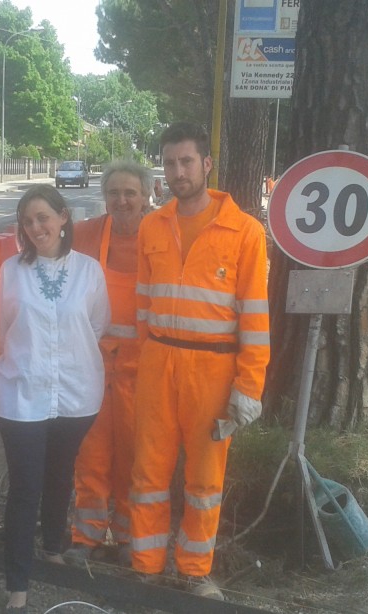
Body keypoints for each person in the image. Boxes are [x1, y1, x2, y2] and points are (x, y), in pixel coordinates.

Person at [128, 122, 270, 600]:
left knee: (204, 479)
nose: (177, 171)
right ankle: (144, 567)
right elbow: (142, 305)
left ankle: (193, 570)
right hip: (158, 361)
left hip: (213, 372)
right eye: (169, 163)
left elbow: (254, 316)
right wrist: (140, 362)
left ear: (207, 164)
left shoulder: (245, 232)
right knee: (147, 470)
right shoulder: (153, 224)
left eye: (186, 161)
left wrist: (248, 387)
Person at [0, 185, 110, 613]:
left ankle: (53, 546)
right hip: (22, 393)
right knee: (26, 487)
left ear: (63, 218)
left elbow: (97, 325)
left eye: (43, 217)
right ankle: (18, 584)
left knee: (61, 475)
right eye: (28, 221)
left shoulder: (89, 271)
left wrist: (67, 358)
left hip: (77, 394)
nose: (36, 227)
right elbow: (3, 326)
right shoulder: (10, 272)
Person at [64, 161, 153, 567]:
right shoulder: (85, 235)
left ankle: (130, 535)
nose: (121, 200)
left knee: (136, 456)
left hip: (143, 369)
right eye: (114, 192)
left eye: (130, 193)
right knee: (91, 453)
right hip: (93, 365)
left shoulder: (160, 236)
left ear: (146, 196)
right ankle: (86, 535)